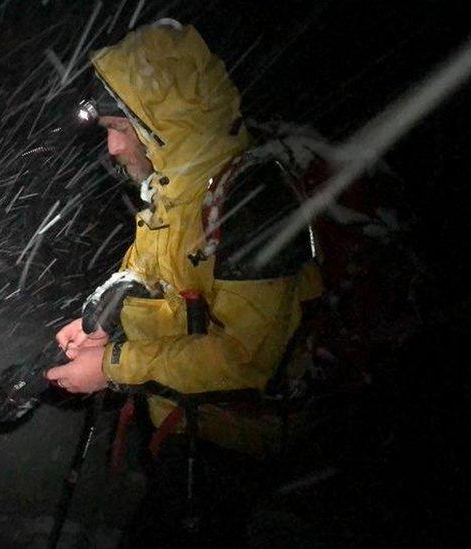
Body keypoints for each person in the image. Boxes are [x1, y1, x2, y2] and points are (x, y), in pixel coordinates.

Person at [44, 21, 325, 545]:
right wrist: (101, 327)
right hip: (185, 423)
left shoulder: (251, 198)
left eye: (119, 128)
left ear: (158, 124)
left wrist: (111, 368)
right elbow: (154, 286)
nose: (110, 147)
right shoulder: (172, 198)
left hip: (233, 443)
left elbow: (249, 358)